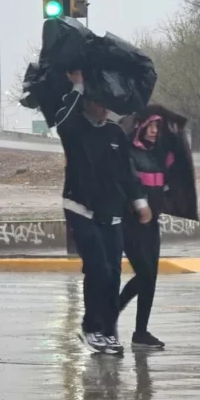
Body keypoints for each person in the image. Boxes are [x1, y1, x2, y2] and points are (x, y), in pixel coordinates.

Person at [55, 69, 152, 355]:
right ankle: (92, 328)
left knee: (112, 273)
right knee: (96, 267)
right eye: (97, 102)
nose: (102, 108)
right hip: (80, 209)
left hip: (113, 213)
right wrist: (78, 86)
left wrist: (139, 201)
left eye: (105, 103)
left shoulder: (114, 134)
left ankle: (108, 331)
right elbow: (62, 122)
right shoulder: (74, 129)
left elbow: (126, 172)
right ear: (88, 102)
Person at [118, 105, 198, 349]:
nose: (154, 131)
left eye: (157, 126)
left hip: (152, 225)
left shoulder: (158, 155)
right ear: (140, 126)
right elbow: (128, 184)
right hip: (130, 224)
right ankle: (109, 316)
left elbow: (176, 156)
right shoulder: (128, 153)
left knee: (150, 279)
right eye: (150, 125)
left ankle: (140, 332)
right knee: (144, 275)